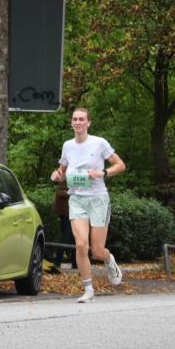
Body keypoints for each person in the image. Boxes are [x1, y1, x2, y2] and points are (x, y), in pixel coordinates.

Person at [49, 107, 126, 303]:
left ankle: (109, 261)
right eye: (75, 119)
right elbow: (62, 171)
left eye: (81, 119)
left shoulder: (99, 143)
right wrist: (57, 175)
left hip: (98, 198)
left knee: (97, 250)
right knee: (81, 244)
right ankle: (88, 290)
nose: (78, 122)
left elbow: (120, 165)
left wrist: (103, 173)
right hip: (76, 199)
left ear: (88, 123)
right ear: (71, 123)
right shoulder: (68, 145)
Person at [52, 181, 76, 269]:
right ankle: (57, 262)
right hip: (67, 212)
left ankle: (75, 263)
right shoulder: (66, 175)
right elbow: (61, 192)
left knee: (74, 237)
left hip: (72, 212)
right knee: (66, 237)